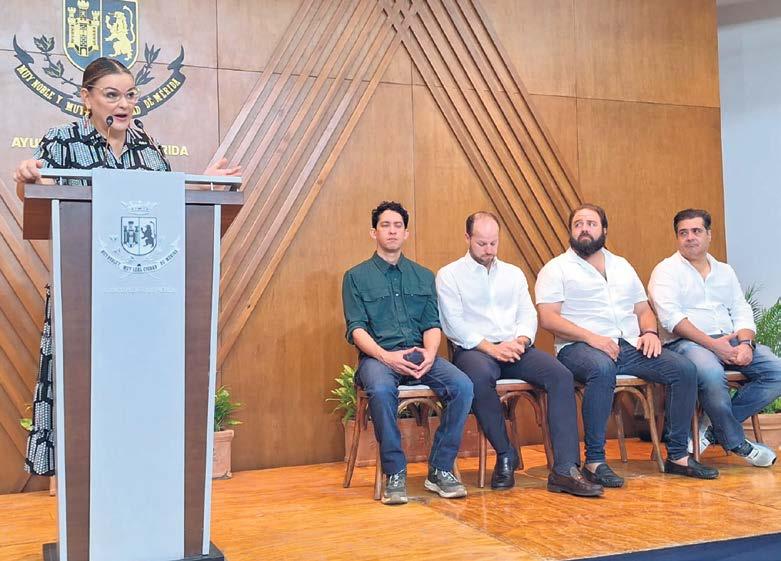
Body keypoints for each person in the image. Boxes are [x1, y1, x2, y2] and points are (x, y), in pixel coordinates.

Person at [12, 57, 240, 477]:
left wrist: (199, 185)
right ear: (86, 98)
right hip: (83, 296)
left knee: (137, 405)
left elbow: (167, 211)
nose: (124, 104)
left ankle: (138, 476)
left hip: (143, 301)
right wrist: (27, 180)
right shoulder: (62, 141)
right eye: (112, 95)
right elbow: (40, 193)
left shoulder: (147, 149)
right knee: (84, 403)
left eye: (130, 95)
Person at [535, 203, 719, 487]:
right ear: (571, 231)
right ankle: (594, 462)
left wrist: (650, 332)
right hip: (578, 347)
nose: (584, 229)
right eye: (578, 224)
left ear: (604, 230)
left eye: (591, 224)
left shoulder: (621, 266)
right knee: (602, 369)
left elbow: (643, 309)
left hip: (628, 345)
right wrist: (591, 337)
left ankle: (678, 456)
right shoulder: (556, 268)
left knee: (683, 369)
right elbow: (548, 318)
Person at [436, 212, 602, 497]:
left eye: (493, 243)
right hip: (475, 350)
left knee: (560, 375)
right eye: (481, 244)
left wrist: (521, 340)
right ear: (467, 238)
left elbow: (527, 313)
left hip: (515, 347)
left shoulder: (513, 274)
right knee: (477, 379)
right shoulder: (449, 275)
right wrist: (492, 348)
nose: (488, 249)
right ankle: (505, 453)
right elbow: (454, 324)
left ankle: (565, 469)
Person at [342, 201, 473, 505]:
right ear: (373, 232)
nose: (392, 231)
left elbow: (432, 323)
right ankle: (395, 473)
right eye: (385, 225)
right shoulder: (355, 277)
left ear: (406, 233)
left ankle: (440, 469)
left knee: (463, 386)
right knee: (380, 389)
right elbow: (356, 329)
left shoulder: (423, 276)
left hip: (419, 354)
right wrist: (385, 356)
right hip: (378, 359)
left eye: (398, 226)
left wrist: (430, 354)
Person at [648, 208, 780, 466]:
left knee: (777, 371)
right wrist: (714, 346)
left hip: (730, 340)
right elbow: (671, 319)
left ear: (709, 235)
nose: (690, 237)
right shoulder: (666, 271)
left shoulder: (724, 271)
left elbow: (741, 309)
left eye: (696, 231)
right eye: (683, 233)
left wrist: (746, 344)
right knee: (710, 373)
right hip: (686, 344)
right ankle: (736, 441)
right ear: (677, 237)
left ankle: (712, 427)